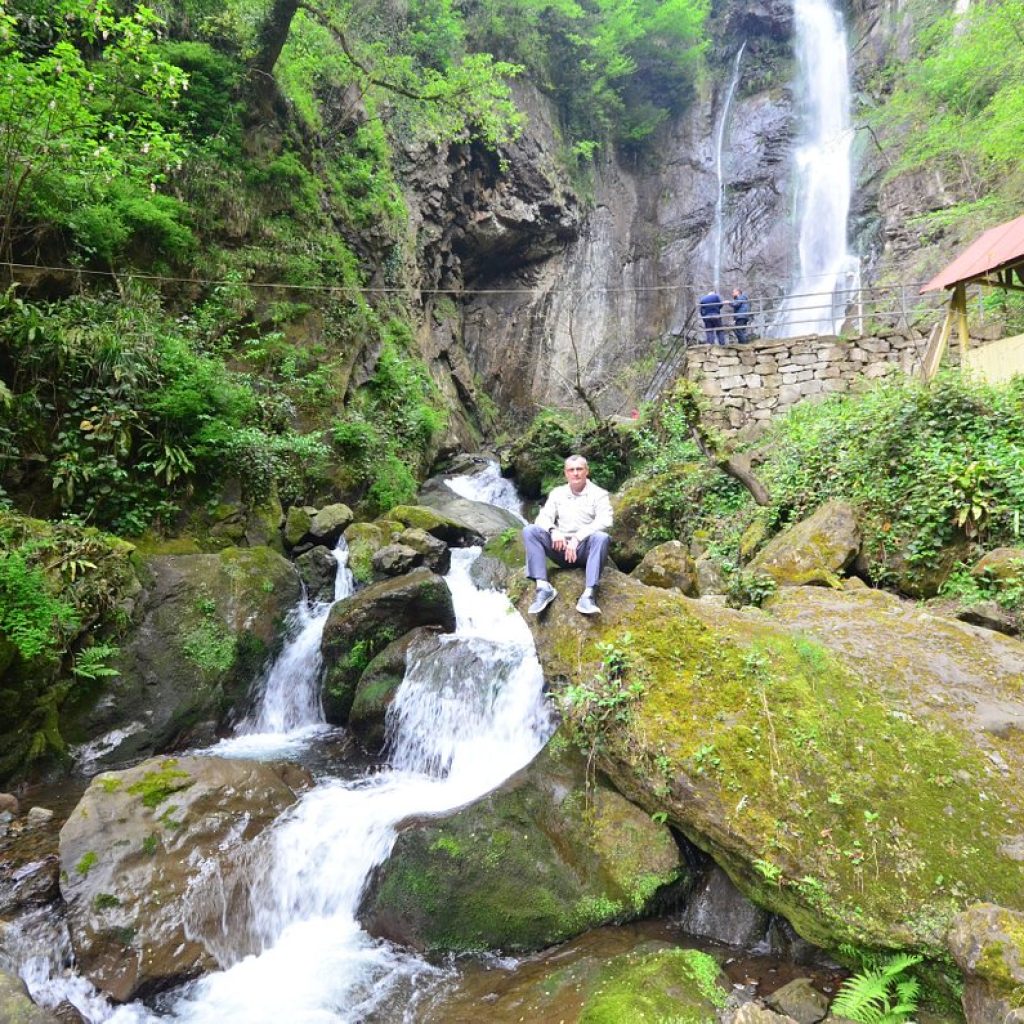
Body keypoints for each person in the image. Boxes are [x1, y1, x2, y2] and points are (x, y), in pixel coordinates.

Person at [523, 455, 613, 616]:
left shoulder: (599, 494)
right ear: (566, 473)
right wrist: (553, 531)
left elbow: (606, 520)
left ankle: (588, 595)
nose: (576, 473)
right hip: (562, 549)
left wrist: (578, 537)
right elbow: (542, 518)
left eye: (579, 469)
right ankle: (543, 588)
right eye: (571, 470)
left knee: (602, 537)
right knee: (530, 530)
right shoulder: (558, 493)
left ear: (587, 471)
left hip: (585, 551)